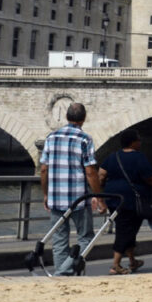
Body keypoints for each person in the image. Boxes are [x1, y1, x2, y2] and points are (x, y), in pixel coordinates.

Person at [39, 102, 105, 277]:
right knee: (86, 238)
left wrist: (45, 193)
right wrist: (99, 197)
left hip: (55, 198)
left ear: (67, 117)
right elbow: (90, 172)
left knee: (59, 239)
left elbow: (44, 169)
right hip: (78, 199)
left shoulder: (51, 138)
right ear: (83, 119)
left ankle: (61, 274)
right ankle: (64, 272)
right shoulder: (84, 139)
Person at [99, 129, 152, 275]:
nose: (141, 142)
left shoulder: (113, 156)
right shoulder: (139, 157)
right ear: (133, 142)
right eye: (139, 140)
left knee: (127, 230)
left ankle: (132, 261)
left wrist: (102, 192)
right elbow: (149, 178)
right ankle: (115, 265)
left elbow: (101, 174)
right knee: (125, 232)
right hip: (131, 201)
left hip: (113, 199)